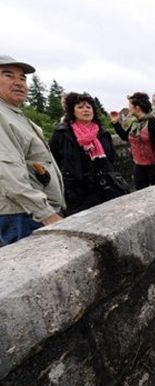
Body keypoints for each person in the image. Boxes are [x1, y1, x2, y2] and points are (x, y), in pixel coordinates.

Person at [0, 55, 65, 246]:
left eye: (22, 78)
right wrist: (48, 216)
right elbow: (8, 172)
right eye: (8, 75)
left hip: (31, 212)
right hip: (23, 215)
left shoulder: (13, 114)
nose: (19, 83)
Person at [49, 92, 127, 216]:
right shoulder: (63, 134)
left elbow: (111, 157)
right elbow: (53, 159)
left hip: (105, 188)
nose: (85, 110)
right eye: (80, 107)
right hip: (78, 192)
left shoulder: (102, 132)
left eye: (88, 107)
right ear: (72, 111)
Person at [110, 92, 155, 190]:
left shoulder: (153, 123)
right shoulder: (135, 123)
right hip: (139, 165)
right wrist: (116, 123)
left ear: (137, 108)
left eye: (130, 106)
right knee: (140, 193)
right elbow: (125, 137)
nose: (128, 108)